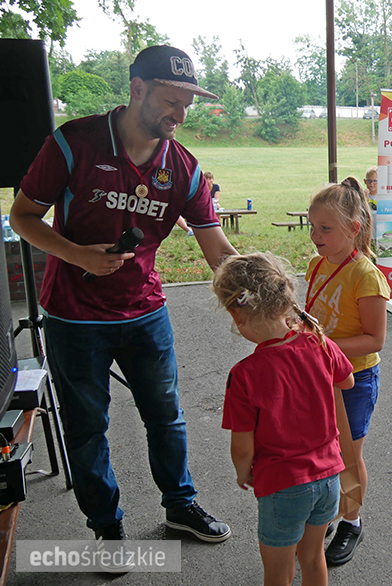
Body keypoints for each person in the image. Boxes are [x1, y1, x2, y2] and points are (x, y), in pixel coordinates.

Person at [10, 45, 237, 560]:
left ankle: (180, 505)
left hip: (145, 312)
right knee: (88, 427)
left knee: (167, 417)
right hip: (73, 315)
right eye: (170, 100)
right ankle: (106, 528)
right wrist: (74, 254)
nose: (179, 113)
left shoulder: (183, 168)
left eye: (187, 104)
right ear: (137, 89)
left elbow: (216, 248)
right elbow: (23, 216)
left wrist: (264, 298)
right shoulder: (73, 143)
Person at [215, 252, 355, 586]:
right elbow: (347, 381)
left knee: (278, 572)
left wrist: (242, 472)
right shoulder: (319, 343)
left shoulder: (244, 375)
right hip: (328, 478)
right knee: (313, 557)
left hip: (283, 485)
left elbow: (242, 446)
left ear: (237, 315)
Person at [305, 177, 390, 566]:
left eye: (325, 228)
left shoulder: (365, 274)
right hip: (317, 377)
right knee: (319, 450)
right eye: (312, 226)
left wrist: (322, 345)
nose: (315, 235)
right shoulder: (315, 265)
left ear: (354, 230)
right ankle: (325, 514)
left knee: (348, 456)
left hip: (354, 380)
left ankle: (351, 522)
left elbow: (374, 339)